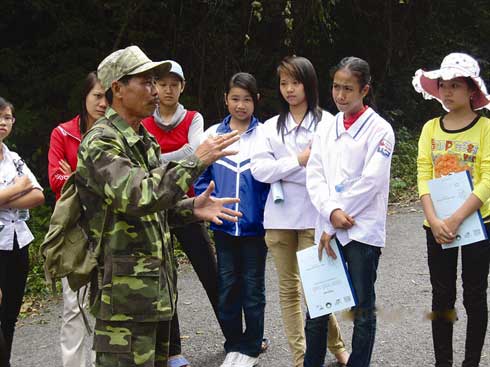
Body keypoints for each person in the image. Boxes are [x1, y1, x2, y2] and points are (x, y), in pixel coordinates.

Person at [75, 45, 241, 367]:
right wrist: (197, 160)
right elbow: (138, 196)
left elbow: (157, 206)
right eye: (146, 82)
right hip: (123, 299)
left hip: (156, 290)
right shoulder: (101, 142)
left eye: (156, 81)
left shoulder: (142, 140)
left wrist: (191, 207)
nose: (155, 90)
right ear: (118, 89)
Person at [250, 56, 349, 367]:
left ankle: (338, 347)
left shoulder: (328, 123)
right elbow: (258, 170)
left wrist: (284, 169)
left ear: (309, 84)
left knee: (316, 289)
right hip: (278, 218)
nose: (289, 89)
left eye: (295, 82)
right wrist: (300, 161)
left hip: (315, 216)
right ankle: (300, 358)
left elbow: (332, 170)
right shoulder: (268, 128)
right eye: (283, 83)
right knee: (288, 290)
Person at [306, 56, 395, 367]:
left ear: (365, 90)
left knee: (362, 309)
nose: (340, 95)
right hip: (327, 227)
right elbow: (314, 174)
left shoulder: (381, 130)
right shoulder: (325, 127)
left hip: (361, 230)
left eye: (348, 89)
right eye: (336, 87)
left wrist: (340, 217)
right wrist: (331, 212)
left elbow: (371, 180)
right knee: (317, 308)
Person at [413, 53, 490, 367]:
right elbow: (423, 173)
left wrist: (458, 216)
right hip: (437, 227)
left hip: (477, 224)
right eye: (443, 84)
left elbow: (488, 177)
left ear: (471, 89)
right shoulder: (431, 128)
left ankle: (471, 362)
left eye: (455, 85)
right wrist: (433, 219)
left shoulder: (485, 128)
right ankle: (442, 362)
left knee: (474, 295)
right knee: (442, 296)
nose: (447, 91)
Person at [141, 61, 219, 367]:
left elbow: (196, 151)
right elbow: (187, 155)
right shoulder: (145, 121)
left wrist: (163, 159)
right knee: (165, 279)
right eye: (162, 84)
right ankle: (173, 351)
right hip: (156, 208)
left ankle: (236, 335)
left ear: (182, 87)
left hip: (189, 207)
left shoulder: (193, 117)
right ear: (155, 87)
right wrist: (185, 155)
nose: (168, 89)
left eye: (174, 84)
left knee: (209, 271)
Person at [195, 72, 269, 367]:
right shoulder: (212, 135)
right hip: (223, 227)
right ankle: (233, 343)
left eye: (247, 99)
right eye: (235, 98)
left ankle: (251, 345)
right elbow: (200, 177)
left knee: (253, 288)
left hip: (256, 229)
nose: (240, 105)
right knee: (227, 287)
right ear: (225, 99)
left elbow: (274, 181)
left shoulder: (266, 135)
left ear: (256, 101)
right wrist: (208, 205)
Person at [48, 71, 107, 367]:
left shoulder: (118, 132)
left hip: (110, 226)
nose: (102, 102)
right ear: (84, 97)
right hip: (74, 229)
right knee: (74, 305)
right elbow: (56, 181)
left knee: (105, 304)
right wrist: (92, 178)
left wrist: (75, 174)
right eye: (97, 95)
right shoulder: (63, 133)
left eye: (108, 96)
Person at [0, 97, 45, 367]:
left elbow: (38, 194)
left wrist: (4, 197)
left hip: (18, 243)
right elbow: (26, 188)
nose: (2, 123)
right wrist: (18, 188)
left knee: (10, 315)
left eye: (7, 118)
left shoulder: (14, 158)